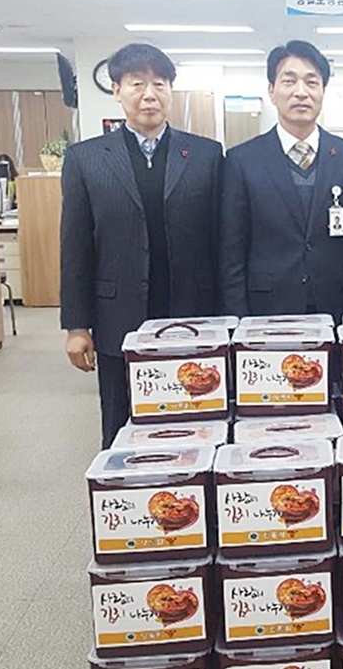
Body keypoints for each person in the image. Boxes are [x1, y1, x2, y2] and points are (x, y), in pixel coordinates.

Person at [59, 43, 223, 449]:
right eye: (137, 84)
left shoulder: (205, 155)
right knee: (121, 425)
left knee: (195, 417)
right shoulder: (85, 159)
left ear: (170, 91)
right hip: (118, 317)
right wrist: (77, 326)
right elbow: (75, 247)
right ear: (117, 90)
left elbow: (220, 241)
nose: (149, 94)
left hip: (192, 313)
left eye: (159, 84)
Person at [218, 40, 343, 320]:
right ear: (271, 90)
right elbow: (232, 251)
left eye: (311, 82)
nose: (301, 92)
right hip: (267, 309)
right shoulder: (242, 160)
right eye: (289, 81)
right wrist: (238, 320)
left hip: (337, 307)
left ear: (323, 91)